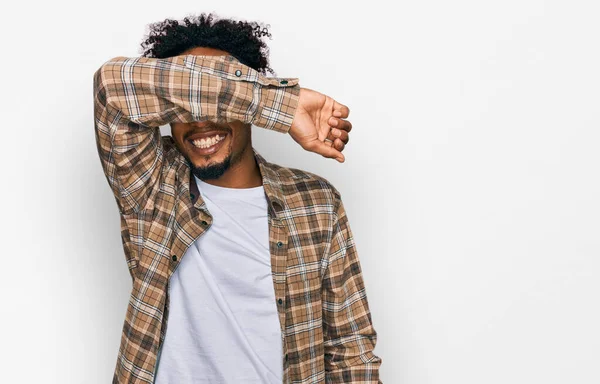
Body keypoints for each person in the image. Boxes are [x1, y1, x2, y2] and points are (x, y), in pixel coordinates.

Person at [92, 12, 382, 384]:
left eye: (217, 102)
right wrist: (280, 104)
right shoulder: (152, 183)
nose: (200, 121)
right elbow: (110, 85)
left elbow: (350, 351)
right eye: (186, 103)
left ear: (245, 113)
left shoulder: (315, 202)